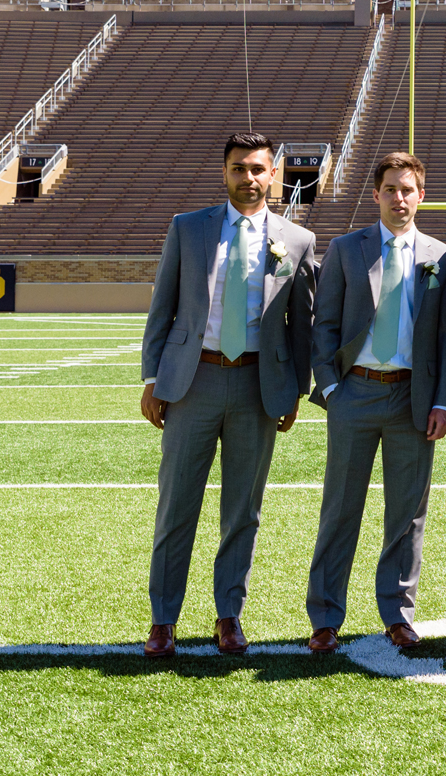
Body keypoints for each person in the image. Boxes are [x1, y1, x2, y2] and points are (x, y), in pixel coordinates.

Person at [138, 131, 317, 659]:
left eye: (259, 169)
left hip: (258, 384)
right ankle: (163, 619)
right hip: (192, 382)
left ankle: (228, 614)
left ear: (274, 175)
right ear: (225, 173)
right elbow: (162, 309)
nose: (249, 179)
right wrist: (153, 378)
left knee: (243, 509)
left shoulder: (297, 241)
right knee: (177, 506)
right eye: (239, 169)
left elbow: (301, 325)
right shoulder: (188, 229)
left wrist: (295, 389)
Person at [303, 151, 446, 653]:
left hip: (412, 399)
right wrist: (331, 387)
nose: (400, 198)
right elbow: (323, 323)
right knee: (340, 508)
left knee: (407, 514)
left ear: (422, 195)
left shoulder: (443, 257)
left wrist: (444, 401)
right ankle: (326, 615)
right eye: (391, 189)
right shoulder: (347, 248)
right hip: (354, 392)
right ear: (376, 195)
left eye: (408, 189)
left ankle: (397, 612)